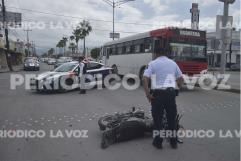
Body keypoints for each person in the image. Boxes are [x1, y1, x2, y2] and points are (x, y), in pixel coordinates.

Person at [143, 49, 184, 149]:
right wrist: (177, 89)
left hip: (158, 95)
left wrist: (148, 94)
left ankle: (158, 142)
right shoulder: (173, 63)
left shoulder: (152, 63)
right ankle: (173, 143)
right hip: (170, 94)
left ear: (156, 54)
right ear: (165, 54)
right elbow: (180, 79)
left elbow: (145, 79)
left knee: (158, 119)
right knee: (171, 119)